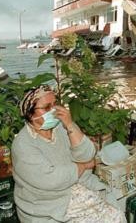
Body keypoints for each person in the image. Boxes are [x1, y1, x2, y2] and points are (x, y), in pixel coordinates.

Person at [12, 85, 126, 222]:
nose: (53, 111)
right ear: (30, 113)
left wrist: (70, 125)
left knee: (116, 215)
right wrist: (83, 166)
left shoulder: (60, 126)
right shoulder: (23, 144)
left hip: (77, 186)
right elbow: (51, 180)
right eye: (46, 107)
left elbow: (87, 154)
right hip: (47, 201)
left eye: (55, 105)